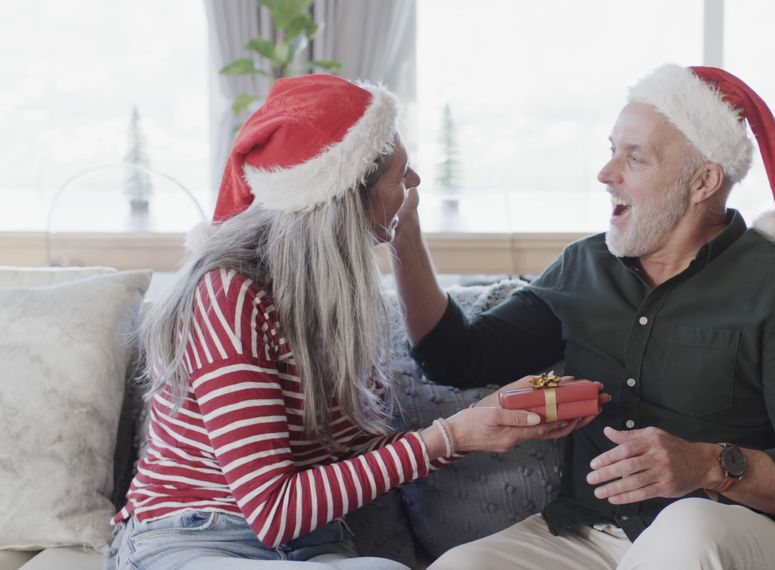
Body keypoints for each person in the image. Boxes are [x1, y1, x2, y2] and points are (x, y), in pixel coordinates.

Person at [389, 65, 775, 569]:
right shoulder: (585, 267)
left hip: (732, 533)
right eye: (612, 150)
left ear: (702, 181)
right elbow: (455, 358)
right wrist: (402, 231)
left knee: (689, 528)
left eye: (635, 158)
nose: (606, 174)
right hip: (590, 537)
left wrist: (709, 464)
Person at [105, 74, 593, 570]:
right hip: (197, 536)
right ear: (345, 199)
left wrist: (480, 420)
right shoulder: (229, 293)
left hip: (310, 544)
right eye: (400, 175)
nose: (416, 184)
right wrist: (451, 436)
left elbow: (353, 457)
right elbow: (273, 510)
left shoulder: (331, 300)